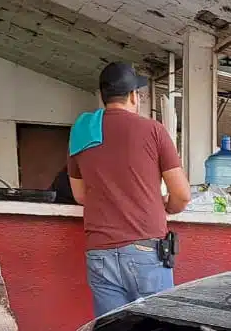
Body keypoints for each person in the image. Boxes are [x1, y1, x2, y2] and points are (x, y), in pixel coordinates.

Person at [67, 63, 192, 315]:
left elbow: (81, 195)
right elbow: (182, 195)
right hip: (145, 250)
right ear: (134, 95)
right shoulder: (153, 130)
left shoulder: (81, 131)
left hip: (99, 252)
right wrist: (167, 205)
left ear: (103, 97)